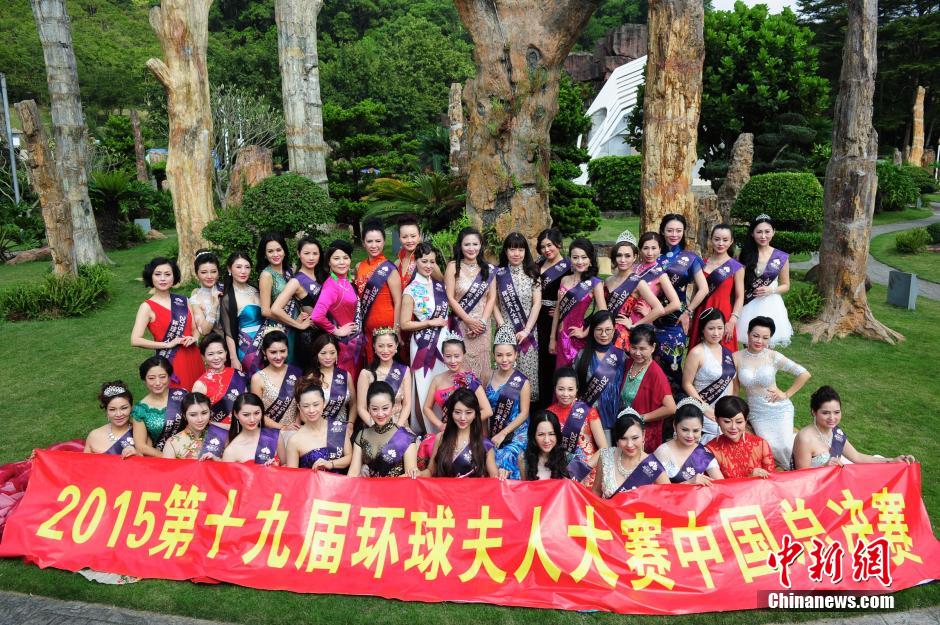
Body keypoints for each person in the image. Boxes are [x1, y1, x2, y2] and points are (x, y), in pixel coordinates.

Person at [735, 316, 811, 470]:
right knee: (770, 446)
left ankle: (798, 470)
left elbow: (804, 373)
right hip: (757, 412)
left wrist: (786, 394)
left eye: (765, 338)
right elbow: (735, 389)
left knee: (784, 446)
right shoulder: (736, 357)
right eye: (755, 335)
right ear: (748, 333)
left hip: (779, 409)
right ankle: (790, 468)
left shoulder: (773, 356)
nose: (759, 341)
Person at [792, 386, 916, 469]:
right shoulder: (805, 438)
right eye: (825, 413)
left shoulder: (836, 433)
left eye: (836, 412)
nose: (832, 418)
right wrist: (824, 467)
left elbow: (857, 457)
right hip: (814, 492)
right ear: (814, 412)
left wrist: (893, 460)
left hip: (834, 483)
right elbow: (802, 478)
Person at [130, 257, 204, 390]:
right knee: (177, 402)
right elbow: (135, 340)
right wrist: (167, 344)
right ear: (151, 277)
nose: (163, 279)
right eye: (158, 274)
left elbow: (195, 329)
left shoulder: (183, 300)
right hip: (170, 360)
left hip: (193, 355)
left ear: (174, 277)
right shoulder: (147, 307)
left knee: (199, 399)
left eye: (167, 274)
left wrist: (195, 338)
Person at [654, 214, 710, 388]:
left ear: (684, 232)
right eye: (670, 230)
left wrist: (689, 312)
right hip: (652, 317)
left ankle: (675, 405)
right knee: (651, 363)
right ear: (662, 231)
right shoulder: (653, 254)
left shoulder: (690, 258)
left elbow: (704, 289)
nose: (674, 234)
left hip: (677, 318)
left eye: (678, 230)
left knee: (673, 362)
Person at [400, 242, 450, 433]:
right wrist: (429, 323)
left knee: (444, 384)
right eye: (424, 261)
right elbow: (404, 324)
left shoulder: (440, 285)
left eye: (432, 261)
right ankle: (429, 431)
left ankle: (446, 426)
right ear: (416, 261)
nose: (428, 265)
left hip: (444, 342)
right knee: (424, 385)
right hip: (422, 343)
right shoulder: (410, 290)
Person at [492, 232, 542, 402]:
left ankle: (526, 413)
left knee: (526, 373)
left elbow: (537, 303)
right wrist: (503, 326)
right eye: (512, 249)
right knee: (505, 369)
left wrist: (526, 330)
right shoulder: (498, 275)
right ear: (505, 251)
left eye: (520, 249)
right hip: (505, 332)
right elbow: (494, 304)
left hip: (528, 333)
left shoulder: (533, 273)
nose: (516, 254)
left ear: (525, 252)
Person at [445, 227, 496, 385]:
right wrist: (468, 320)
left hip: (483, 326)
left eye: (475, 244)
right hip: (461, 324)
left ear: (481, 245)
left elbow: (491, 297)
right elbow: (450, 297)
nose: (471, 248)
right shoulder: (453, 266)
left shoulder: (489, 268)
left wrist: (480, 322)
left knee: (484, 369)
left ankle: (483, 407)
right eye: (467, 244)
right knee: (462, 367)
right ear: (460, 245)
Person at [681, 308, 737, 444]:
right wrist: (704, 408)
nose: (716, 333)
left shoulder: (728, 353)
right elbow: (687, 383)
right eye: (711, 328)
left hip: (725, 410)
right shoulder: (697, 353)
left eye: (720, 328)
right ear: (702, 329)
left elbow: (731, 382)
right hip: (703, 408)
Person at [311, 239, 364, 380]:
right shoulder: (331, 285)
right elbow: (317, 316)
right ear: (329, 262)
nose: (341, 262)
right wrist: (335, 330)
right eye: (336, 258)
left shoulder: (346, 281)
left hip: (354, 343)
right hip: (344, 345)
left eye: (345, 258)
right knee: (344, 382)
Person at [737, 215, 793, 347]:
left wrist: (771, 289)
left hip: (771, 304)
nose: (763, 236)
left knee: (767, 348)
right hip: (747, 304)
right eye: (759, 232)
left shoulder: (781, 257)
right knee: (748, 345)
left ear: (773, 231)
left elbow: (786, 285)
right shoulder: (743, 254)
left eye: (767, 232)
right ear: (752, 233)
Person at [550, 237, 607, 368]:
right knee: (562, 378)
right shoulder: (564, 280)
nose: (580, 261)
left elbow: (603, 314)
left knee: (578, 376)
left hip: (578, 337)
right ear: (570, 259)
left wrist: (585, 332)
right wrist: (552, 338)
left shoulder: (595, 283)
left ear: (590, 259)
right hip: (561, 335)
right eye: (575, 257)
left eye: (584, 257)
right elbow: (558, 311)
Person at [545, 367, 606, 487]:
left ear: (577, 389)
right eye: (561, 389)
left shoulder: (588, 411)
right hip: (559, 471)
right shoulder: (549, 414)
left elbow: (604, 448)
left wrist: (583, 469)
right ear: (555, 388)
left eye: (570, 389)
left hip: (588, 469)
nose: (565, 394)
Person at [620, 325, 676, 453]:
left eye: (642, 349)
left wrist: (642, 417)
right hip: (624, 430)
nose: (637, 353)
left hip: (643, 436)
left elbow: (671, 407)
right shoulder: (629, 363)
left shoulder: (655, 373)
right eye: (634, 348)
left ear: (653, 348)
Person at [485, 325, 532, 480]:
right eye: (499, 355)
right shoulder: (487, 377)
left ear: (516, 354)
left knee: (504, 458)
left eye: (508, 355)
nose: (504, 360)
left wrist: (503, 433)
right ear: (494, 355)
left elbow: (524, 413)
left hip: (516, 433)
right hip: (493, 432)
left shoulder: (522, 382)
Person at [271, 235, 323, 372]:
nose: (311, 258)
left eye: (315, 253)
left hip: (325, 334)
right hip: (310, 337)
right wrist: (298, 325)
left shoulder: (323, 275)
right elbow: (275, 308)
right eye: (306, 253)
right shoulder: (296, 281)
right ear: (299, 254)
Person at [689, 224, 745, 351]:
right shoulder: (701, 263)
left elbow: (740, 296)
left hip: (724, 314)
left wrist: (732, 321)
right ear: (711, 240)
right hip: (701, 312)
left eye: (725, 240)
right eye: (717, 239)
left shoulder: (736, 267)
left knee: (724, 355)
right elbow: (696, 291)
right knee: (698, 353)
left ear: (731, 241)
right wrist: (691, 316)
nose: (721, 243)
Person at [604, 233, 664, 350]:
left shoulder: (637, 282)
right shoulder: (607, 280)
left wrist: (634, 325)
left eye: (627, 256)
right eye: (619, 255)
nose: (622, 260)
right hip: (604, 330)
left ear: (634, 257)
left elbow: (659, 309)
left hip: (621, 335)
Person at [574, 311, 627, 445]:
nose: (604, 334)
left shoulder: (622, 357)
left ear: (614, 329)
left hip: (616, 418)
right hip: (589, 418)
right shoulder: (581, 356)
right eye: (599, 330)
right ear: (592, 330)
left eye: (608, 330)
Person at [421, 337, 493, 434]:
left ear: (463, 355)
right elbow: (426, 408)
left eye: (457, 356)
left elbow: (488, 411)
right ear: (443, 356)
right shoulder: (437, 380)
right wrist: (440, 425)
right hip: (448, 432)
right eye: (448, 356)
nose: (452, 361)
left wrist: (464, 422)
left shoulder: (470, 379)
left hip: (468, 431)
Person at [348, 381, 420, 477]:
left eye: (385, 408)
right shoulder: (362, 435)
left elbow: (410, 476)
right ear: (368, 409)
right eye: (374, 409)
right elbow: (353, 474)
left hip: (396, 490)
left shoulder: (405, 437)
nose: (380, 414)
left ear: (393, 407)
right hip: (368, 490)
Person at [593, 409, 670, 498]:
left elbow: (668, 500)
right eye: (623, 438)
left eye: (635, 438)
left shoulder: (653, 466)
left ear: (643, 435)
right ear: (617, 439)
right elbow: (596, 491)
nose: (629, 445)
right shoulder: (605, 457)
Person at [355, 221, 402, 364]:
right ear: (363, 243)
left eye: (378, 241)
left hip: (387, 327)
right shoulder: (359, 266)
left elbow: (398, 300)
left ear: (384, 242)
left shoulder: (389, 268)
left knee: (388, 366)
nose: (374, 245)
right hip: (367, 326)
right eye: (369, 241)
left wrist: (396, 328)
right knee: (371, 366)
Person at [534, 227, 570, 406]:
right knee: (537, 361)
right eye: (543, 247)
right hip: (536, 318)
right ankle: (537, 402)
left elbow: (573, 294)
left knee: (552, 360)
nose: (547, 250)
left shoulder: (569, 267)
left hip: (555, 320)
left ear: (558, 244)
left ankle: (552, 403)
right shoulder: (537, 266)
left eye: (550, 245)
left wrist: (560, 307)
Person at [428, 388, 499, 478]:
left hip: (472, 491)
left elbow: (495, 477)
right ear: (451, 413)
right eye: (457, 412)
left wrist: (501, 473)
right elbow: (430, 471)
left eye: (468, 413)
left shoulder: (485, 444)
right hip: (443, 491)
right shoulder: (441, 438)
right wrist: (419, 473)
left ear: (475, 415)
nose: (462, 418)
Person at [284, 379, 351, 471]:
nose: (311, 410)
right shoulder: (294, 441)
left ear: (324, 403)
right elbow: (293, 476)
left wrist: (331, 464)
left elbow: (349, 457)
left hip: (340, 484)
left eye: (316, 405)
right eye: (306, 406)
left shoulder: (338, 427)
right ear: (299, 407)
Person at [654, 399, 724, 484]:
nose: (690, 436)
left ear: (701, 428)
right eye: (685, 430)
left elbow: (720, 484)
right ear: (674, 426)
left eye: (695, 431)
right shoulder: (662, 452)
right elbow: (660, 491)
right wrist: (688, 483)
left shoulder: (702, 453)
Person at [706, 396, 775, 479]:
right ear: (717, 420)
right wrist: (749, 478)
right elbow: (717, 487)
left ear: (746, 421)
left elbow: (772, 480)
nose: (733, 427)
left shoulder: (760, 444)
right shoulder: (710, 450)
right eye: (727, 421)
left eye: (739, 422)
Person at [131, 356, 186, 457]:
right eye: (151, 378)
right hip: (161, 457)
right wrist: (168, 458)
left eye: (162, 377)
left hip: (189, 450)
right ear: (144, 380)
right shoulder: (140, 410)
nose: (157, 383)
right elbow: (141, 446)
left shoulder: (182, 395)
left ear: (169, 376)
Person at [356, 328, 413, 428]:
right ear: (374, 346)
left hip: (399, 426)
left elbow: (407, 404)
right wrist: (377, 428)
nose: (385, 350)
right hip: (374, 426)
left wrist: (397, 427)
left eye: (390, 346)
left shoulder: (404, 370)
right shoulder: (366, 373)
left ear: (396, 346)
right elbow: (361, 408)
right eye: (381, 346)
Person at [220, 251, 263, 377]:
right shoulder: (228, 298)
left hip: (267, 344)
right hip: (247, 347)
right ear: (229, 269)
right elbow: (228, 332)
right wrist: (233, 358)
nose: (243, 271)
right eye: (238, 267)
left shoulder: (257, 289)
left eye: (247, 267)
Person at [191, 332, 248, 427]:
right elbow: (197, 418)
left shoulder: (238, 374)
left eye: (220, 352)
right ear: (203, 357)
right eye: (210, 354)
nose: (216, 357)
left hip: (245, 429)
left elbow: (249, 403)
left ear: (226, 353)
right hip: (218, 434)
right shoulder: (200, 385)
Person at [250, 330, 302, 432]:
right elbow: (256, 412)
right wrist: (282, 428)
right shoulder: (257, 378)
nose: (278, 357)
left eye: (282, 351)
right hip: (269, 434)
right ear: (264, 352)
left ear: (288, 350)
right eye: (273, 352)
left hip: (295, 431)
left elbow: (302, 404)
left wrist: (296, 425)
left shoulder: (296, 372)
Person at [257, 232, 298, 363]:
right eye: (270, 251)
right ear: (265, 254)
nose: (275, 254)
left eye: (278, 250)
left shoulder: (289, 271)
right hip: (280, 329)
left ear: (284, 251)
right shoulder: (266, 275)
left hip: (295, 325)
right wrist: (294, 322)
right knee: (286, 364)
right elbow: (265, 310)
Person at [306, 333, 356, 426]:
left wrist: (350, 424)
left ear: (337, 353)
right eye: (323, 353)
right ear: (317, 354)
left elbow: (354, 404)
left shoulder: (345, 375)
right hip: (318, 429)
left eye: (332, 353)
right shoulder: (311, 378)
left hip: (342, 429)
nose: (328, 357)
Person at [222, 393, 280, 464]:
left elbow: (289, 471)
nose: (252, 420)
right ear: (236, 414)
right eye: (246, 415)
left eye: (256, 413)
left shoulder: (276, 436)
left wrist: (276, 468)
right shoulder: (231, 451)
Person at [84, 381, 137, 456]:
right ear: (106, 411)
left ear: (131, 408)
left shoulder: (141, 432)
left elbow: (153, 463)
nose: (118, 414)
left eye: (124, 408)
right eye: (112, 409)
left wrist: (137, 453)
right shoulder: (94, 436)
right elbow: (84, 465)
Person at [162, 393, 219, 460]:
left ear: (210, 412)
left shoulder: (220, 437)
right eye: (193, 415)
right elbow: (168, 469)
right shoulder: (172, 443)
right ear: (184, 416)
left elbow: (229, 467)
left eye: (204, 413)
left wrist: (217, 459)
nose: (200, 419)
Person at [518, 411, 571, 480]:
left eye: (551, 434)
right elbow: (524, 488)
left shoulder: (569, 458)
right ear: (533, 436)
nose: (546, 440)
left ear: (557, 435)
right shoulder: (524, 459)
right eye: (541, 434)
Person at [395, 214, 443, 289]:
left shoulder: (426, 259)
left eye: (413, 236)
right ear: (399, 238)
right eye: (404, 237)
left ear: (419, 236)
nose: (409, 240)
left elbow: (441, 282)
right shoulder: (397, 263)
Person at [190, 250, 223, 337]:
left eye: (213, 271)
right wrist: (215, 305)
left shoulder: (226, 289)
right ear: (197, 274)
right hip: (216, 345)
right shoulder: (195, 299)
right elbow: (204, 331)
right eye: (204, 272)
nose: (209, 276)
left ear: (218, 272)